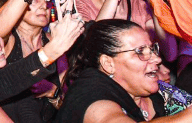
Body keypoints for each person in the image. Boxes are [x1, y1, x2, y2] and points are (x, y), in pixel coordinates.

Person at [56, 19, 191, 122]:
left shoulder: (162, 92)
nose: (156, 59)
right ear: (108, 64)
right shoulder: (87, 93)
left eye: (152, 49)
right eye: (140, 52)